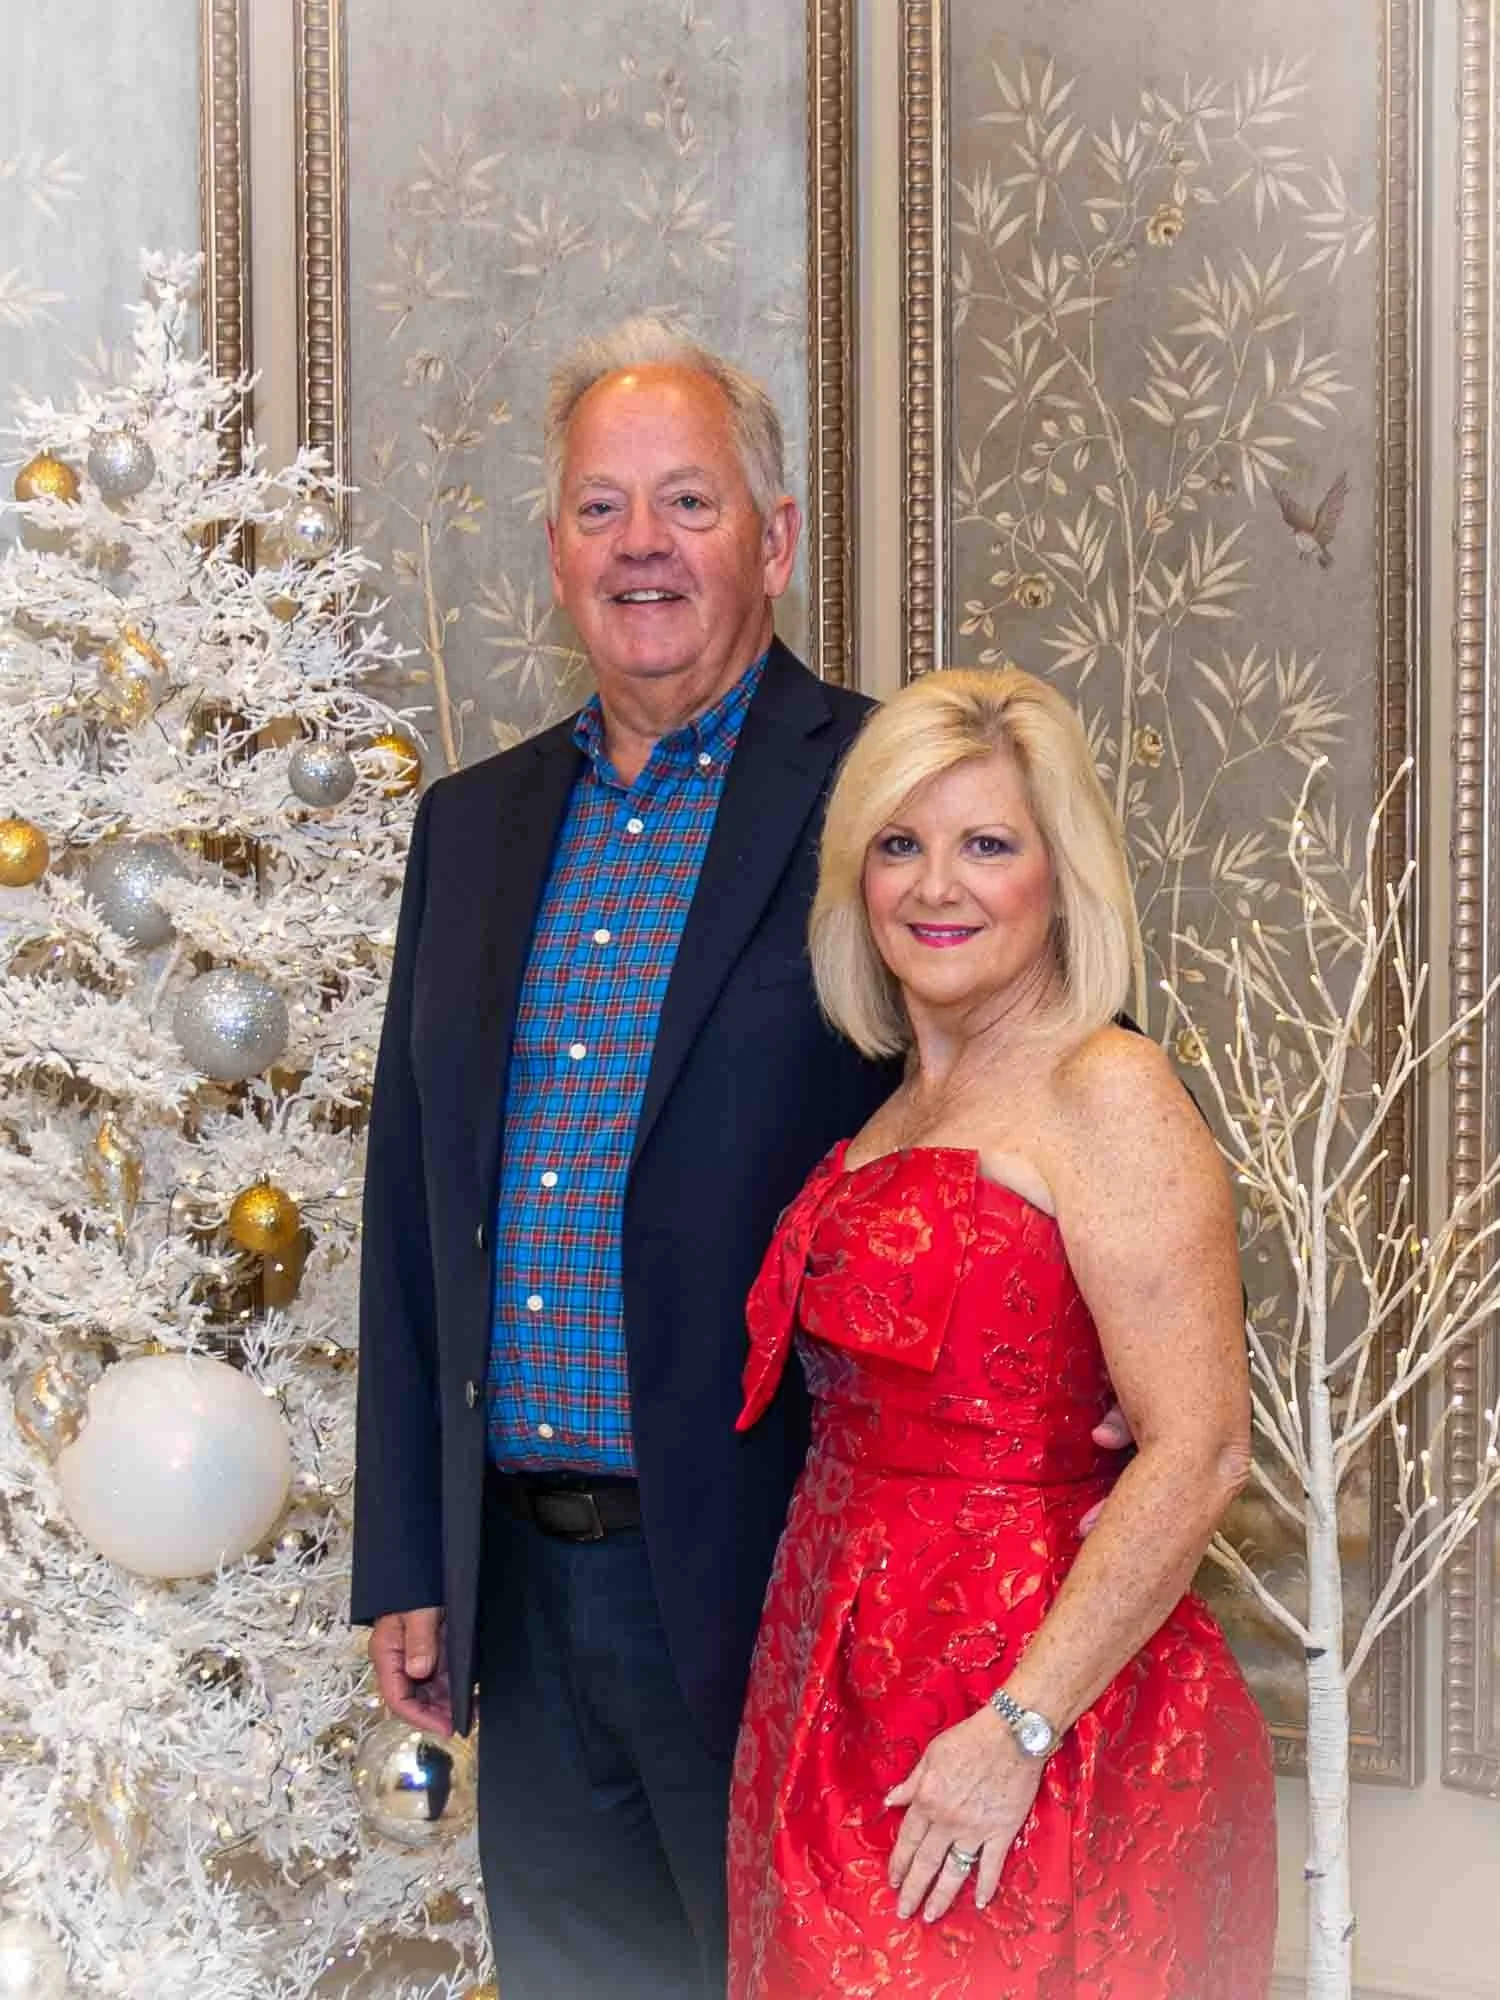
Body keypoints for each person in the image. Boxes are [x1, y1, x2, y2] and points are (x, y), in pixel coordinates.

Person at [349, 318, 907, 2000]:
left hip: (778, 1581)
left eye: (688, 502)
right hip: (520, 1582)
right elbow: (408, 1210)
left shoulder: (886, 791)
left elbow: (1040, 1089)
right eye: (602, 510)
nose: (643, 547)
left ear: (777, 536)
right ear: (557, 552)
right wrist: (410, 1557)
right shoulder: (473, 824)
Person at [728, 666, 1278, 1998]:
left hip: (1032, 1713)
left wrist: (1018, 1730)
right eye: (900, 846)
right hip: (834, 1681)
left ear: (1059, 875)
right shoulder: (897, 1106)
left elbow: (1199, 1450)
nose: (937, 887)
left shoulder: (1110, 1089)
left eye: (988, 845)